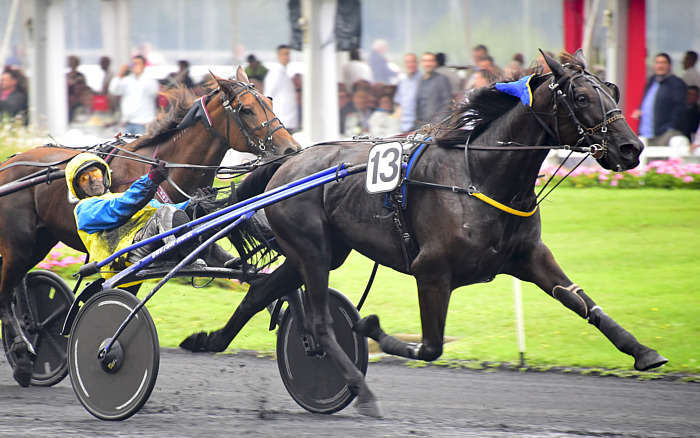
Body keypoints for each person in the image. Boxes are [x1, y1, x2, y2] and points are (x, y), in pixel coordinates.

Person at [66, 152, 199, 276]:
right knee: (165, 213)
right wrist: (150, 180)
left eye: (95, 174)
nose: (92, 180)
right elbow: (119, 208)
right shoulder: (84, 209)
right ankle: (183, 256)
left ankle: (204, 257)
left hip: (141, 245)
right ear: (78, 187)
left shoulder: (119, 196)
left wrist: (193, 205)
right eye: (84, 178)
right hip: (120, 259)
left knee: (178, 213)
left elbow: (157, 207)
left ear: (104, 176)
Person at [632, 53, 687, 145]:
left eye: (663, 63)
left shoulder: (676, 83)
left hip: (664, 134)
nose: (660, 66)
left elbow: (680, 108)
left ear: (669, 65)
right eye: (657, 62)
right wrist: (640, 110)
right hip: (645, 134)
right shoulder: (651, 81)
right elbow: (647, 102)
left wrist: (670, 127)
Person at [109, 55, 160, 135]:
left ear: (144, 65)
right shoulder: (127, 80)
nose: (135, 66)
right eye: (133, 64)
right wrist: (120, 74)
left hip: (144, 123)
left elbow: (153, 92)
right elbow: (113, 90)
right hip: (128, 123)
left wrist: (139, 75)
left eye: (138, 63)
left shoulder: (150, 80)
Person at [264, 44, 299, 131]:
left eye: (288, 54)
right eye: (285, 54)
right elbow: (268, 96)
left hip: (288, 119)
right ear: (278, 56)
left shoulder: (284, 72)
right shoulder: (275, 73)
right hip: (281, 119)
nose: (287, 57)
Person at [414, 52, 452, 129]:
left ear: (435, 63)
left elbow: (447, 104)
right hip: (421, 125)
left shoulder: (442, 79)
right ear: (421, 63)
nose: (428, 64)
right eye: (425, 61)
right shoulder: (420, 80)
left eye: (430, 61)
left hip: (436, 126)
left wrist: (437, 124)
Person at [393, 53, 421, 132]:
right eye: (407, 62)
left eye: (412, 62)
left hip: (418, 125)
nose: (410, 65)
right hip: (404, 126)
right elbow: (399, 104)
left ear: (417, 63)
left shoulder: (423, 80)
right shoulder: (402, 81)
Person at [67, 55, 94, 122]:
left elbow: (84, 89)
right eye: (71, 63)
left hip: (79, 101)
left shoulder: (80, 76)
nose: (72, 65)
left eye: (74, 63)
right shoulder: (66, 76)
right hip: (68, 102)